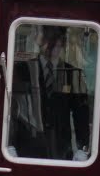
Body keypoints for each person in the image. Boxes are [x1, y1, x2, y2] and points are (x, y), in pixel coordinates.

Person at [9, 26, 91, 160]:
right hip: (26, 147)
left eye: (57, 41)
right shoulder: (22, 70)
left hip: (60, 149)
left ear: (63, 43)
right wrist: (9, 143)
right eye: (48, 40)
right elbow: (12, 109)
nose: (52, 46)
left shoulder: (73, 74)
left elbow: (81, 114)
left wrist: (82, 148)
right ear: (39, 42)